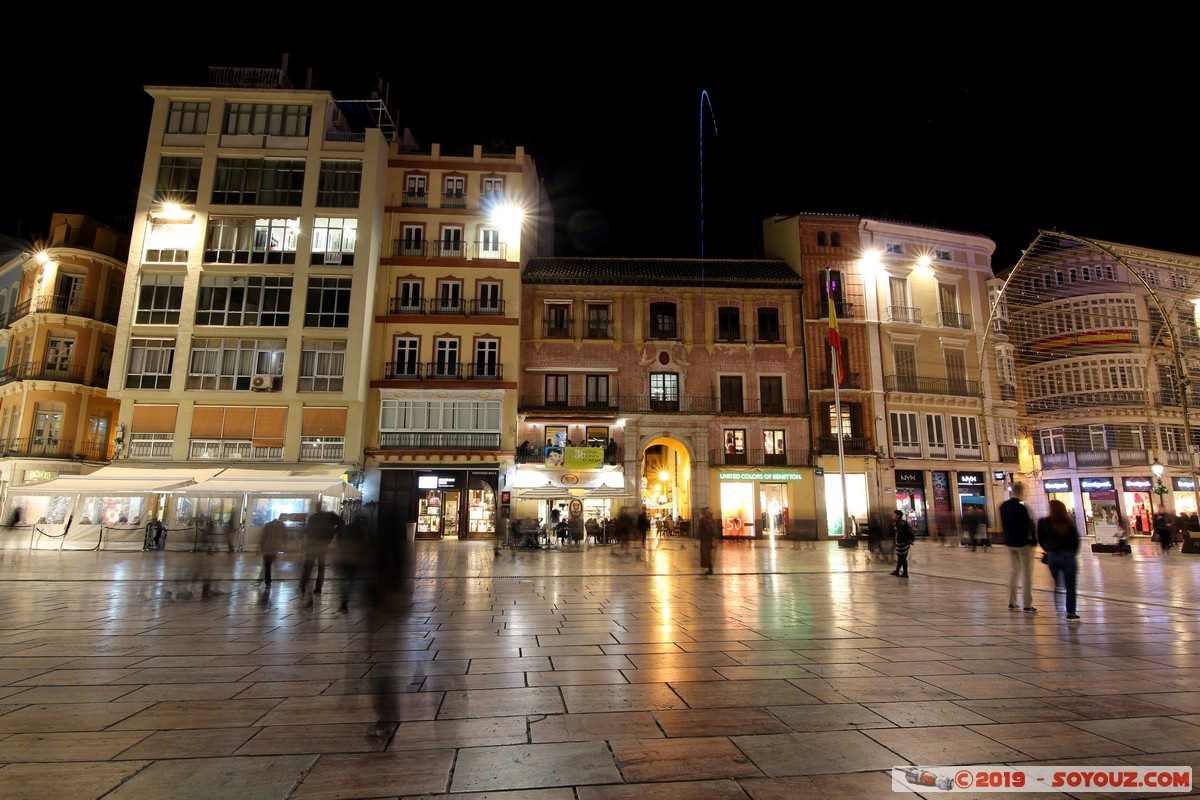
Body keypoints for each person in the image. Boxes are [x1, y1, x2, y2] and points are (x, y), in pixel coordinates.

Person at [1037, 499, 1081, 620]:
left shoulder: (1043, 522)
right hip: (1068, 557)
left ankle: (1059, 608)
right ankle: (1071, 612)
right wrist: (1073, 553)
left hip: (1053, 557)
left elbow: (1040, 538)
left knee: (1057, 583)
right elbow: (1076, 540)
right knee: (1070, 586)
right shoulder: (1068, 522)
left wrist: (1048, 549)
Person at [1000, 483, 1038, 612]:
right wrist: (1033, 540)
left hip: (1010, 543)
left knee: (1014, 572)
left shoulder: (1003, 506)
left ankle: (1012, 601)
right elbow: (1028, 524)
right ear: (1021, 492)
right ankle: (1027, 604)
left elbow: (1004, 525)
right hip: (1023, 544)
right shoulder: (1022, 507)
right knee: (1027, 574)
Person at [300, 505, 345, 600]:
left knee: (308, 565)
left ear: (317, 508)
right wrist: (333, 532)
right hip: (323, 544)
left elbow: (308, 529)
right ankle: (318, 587)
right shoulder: (329, 516)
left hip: (313, 544)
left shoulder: (314, 517)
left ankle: (303, 584)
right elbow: (342, 522)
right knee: (321, 567)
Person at [260, 514, 286, 588]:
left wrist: (261, 547)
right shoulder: (281, 526)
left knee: (267, 565)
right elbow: (284, 536)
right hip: (274, 547)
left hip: (267, 547)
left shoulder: (267, 525)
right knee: (269, 563)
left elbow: (263, 537)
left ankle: (268, 581)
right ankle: (268, 580)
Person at [890, 510, 914, 578]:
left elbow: (901, 534)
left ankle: (905, 573)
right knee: (901, 557)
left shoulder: (898, 523)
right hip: (904, 542)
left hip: (902, 542)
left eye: (894, 514)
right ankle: (897, 571)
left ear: (898, 516)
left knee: (902, 557)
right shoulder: (904, 522)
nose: (892, 516)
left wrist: (907, 541)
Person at [698, 506, 717, 575]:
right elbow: (714, 530)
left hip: (705, 539)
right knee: (709, 554)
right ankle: (710, 568)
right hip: (710, 539)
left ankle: (710, 568)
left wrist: (699, 537)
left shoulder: (703, 520)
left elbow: (700, 530)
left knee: (706, 554)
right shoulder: (711, 520)